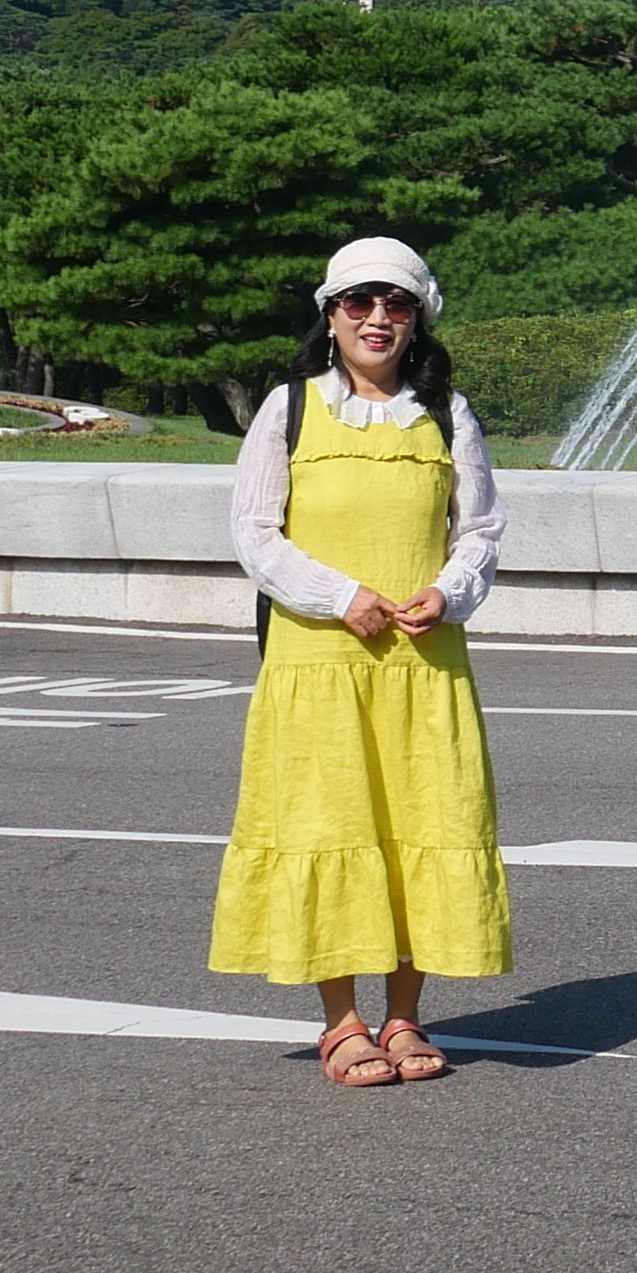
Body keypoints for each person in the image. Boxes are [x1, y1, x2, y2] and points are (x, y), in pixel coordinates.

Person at [212, 235, 510, 1087]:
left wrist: (447, 591)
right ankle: (342, 1023)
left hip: (422, 665)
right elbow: (255, 533)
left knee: (423, 826)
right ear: (332, 313)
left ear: (419, 317)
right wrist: (339, 595)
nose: (378, 317)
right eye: (360, 301)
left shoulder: (446, 414)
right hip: (318, 663)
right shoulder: (289, 409)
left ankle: (405, 1015)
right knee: (329, 827)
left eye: (396, 302)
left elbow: (481, 529)